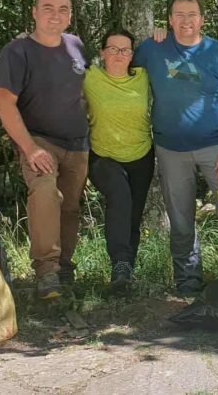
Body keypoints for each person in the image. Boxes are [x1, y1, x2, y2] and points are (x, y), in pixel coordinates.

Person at [134, 0, 218, 296]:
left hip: (217, 149)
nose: (186, 21)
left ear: (202, 20)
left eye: (192, 15)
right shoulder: (152, 50)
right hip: (171, 151)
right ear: (169, 20)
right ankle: (188, 281)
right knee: (181, 220)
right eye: (179, 15)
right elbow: (116, 66)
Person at [0, 0, 89, 300]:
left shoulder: (76, 46)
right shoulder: (17, 51)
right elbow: (5, 103)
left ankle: (64, 268)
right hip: (38, 140)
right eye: (47, 8)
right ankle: (46, 273)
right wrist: (30, 148)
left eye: (63, 9)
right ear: (34, 12)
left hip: (77, 143)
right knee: (45, 191)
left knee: (71, 208)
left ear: (71, 14)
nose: (55, 14)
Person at [83, 29, 153, 295]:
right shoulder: (90, 77)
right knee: (120, 197)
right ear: (102, 53)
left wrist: (160, 36)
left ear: (132, 55)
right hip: (103, 156)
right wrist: (25, 44)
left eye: (125, 50)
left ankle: (125, 276)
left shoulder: (144, 77)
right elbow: (55, 63)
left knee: (133, 216)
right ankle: (119, 264)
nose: (118, 55)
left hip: (142, 155)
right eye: (112, 49)